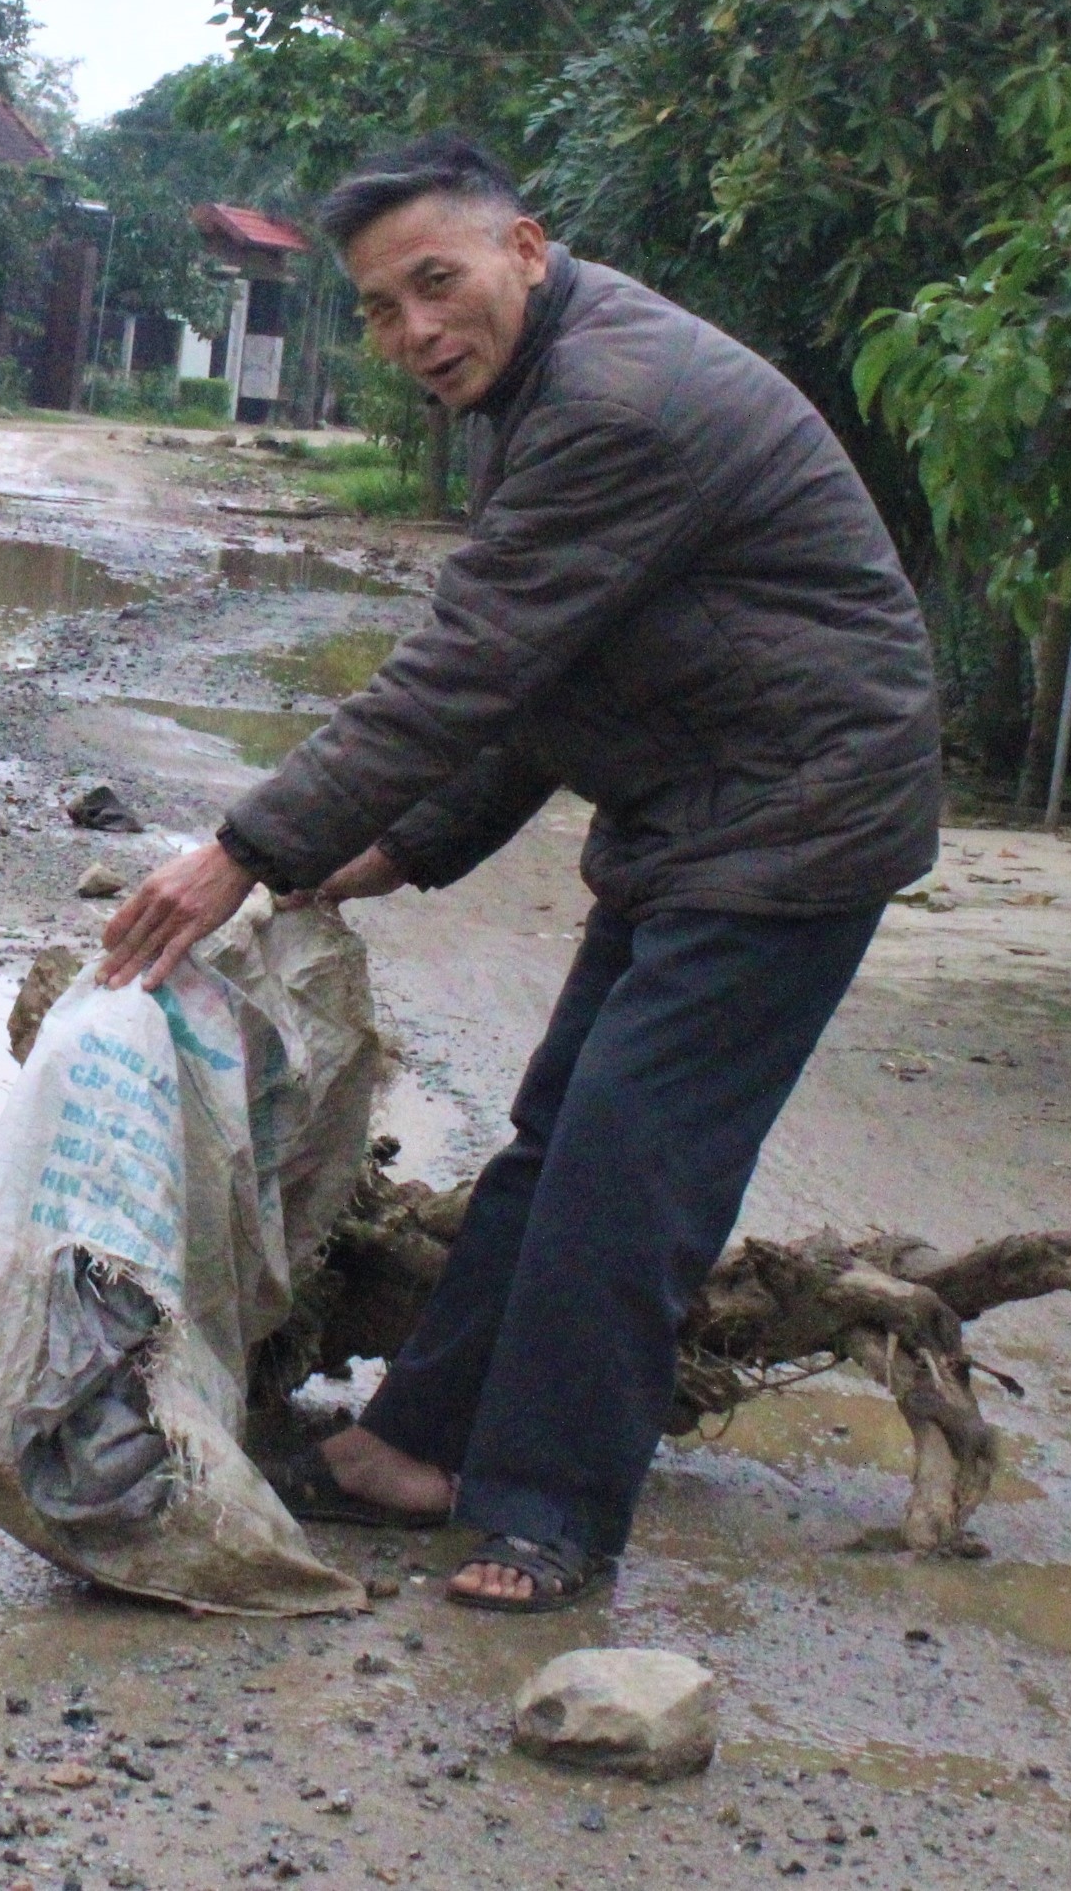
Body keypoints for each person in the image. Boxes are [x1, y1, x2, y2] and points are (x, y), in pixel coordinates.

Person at [97, 134, 940, 1612]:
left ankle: (548, 1511)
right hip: (698, 810)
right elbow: (539, 670)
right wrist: (394, 847)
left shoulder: (614, 399)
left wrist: (240, 851)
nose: (415, 331)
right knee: (560, 1136)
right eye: (377, 308)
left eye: (437, 283)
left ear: (525, 250)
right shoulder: (548, 381)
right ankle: (418, 1446)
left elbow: (466, 662)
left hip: (795, 818)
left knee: (628, 1169)